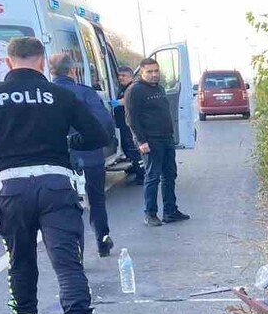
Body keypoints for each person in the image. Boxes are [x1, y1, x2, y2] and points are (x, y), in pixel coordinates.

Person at [0, 36, 108, 314]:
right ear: (41, 61)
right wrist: (66, 143)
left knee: (20, 258)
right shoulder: (61, 95)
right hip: (56, 185)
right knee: (67, 262)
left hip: (10, 189)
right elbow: (99, 135)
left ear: (8, 62)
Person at [50, 53, 117, 257]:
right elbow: (104, 123)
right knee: (96, 200)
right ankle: (102, 241)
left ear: (51, 72)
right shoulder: (85, 93)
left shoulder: (46, 94)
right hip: (89, 156)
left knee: (67, 206)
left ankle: (76, 249)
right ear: (73, 70)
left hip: (58, 161)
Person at [125, 57, 190, 226]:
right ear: (141, 72)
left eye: (156, 71)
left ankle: (170, 211)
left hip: (166, 139)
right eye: (150, 72)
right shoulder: (135, 90)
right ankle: (150, 214)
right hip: (150, 141)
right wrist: (141, 141)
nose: (154, 74)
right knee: (152, 176)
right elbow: (131, 119)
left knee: (170, 175)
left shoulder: (159, 88)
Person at [112, 65, 144, 183]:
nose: (121, 78)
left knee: (133, 149)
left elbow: (128, 100)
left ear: (130, 76)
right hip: (123, 124)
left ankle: (142, 174)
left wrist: (116, 103)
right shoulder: (122, 88)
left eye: (124, 75)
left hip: (130, 124)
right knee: (126, 147)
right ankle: (135, 167)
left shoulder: (132, 87)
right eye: (119, 75)